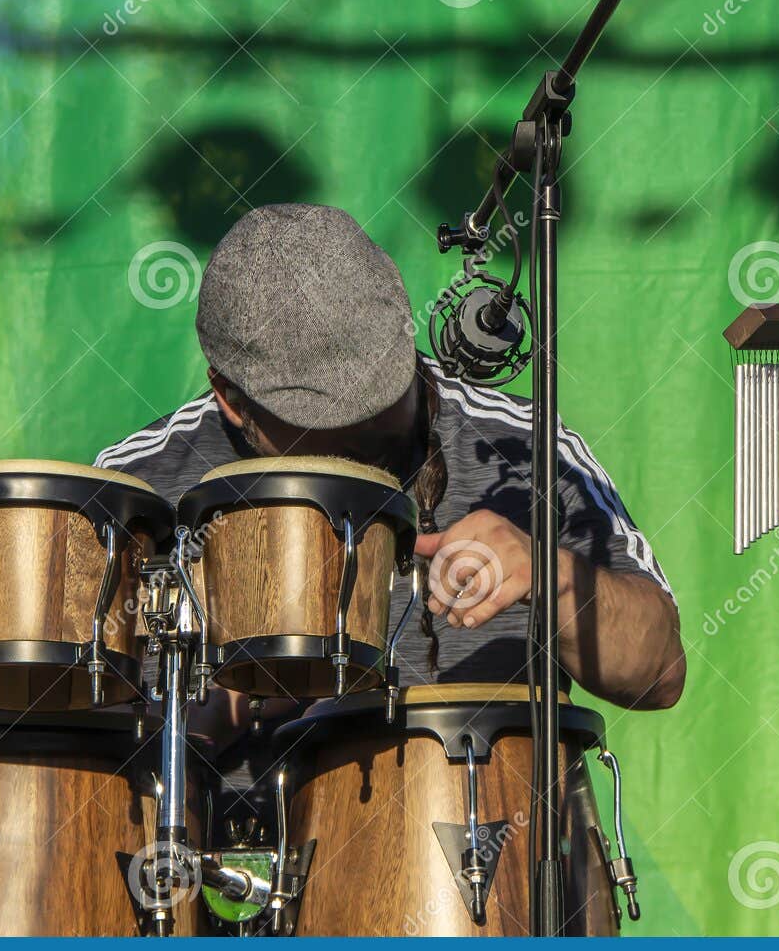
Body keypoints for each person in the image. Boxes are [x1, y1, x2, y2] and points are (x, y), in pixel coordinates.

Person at [93, 204, 684, 768]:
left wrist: (549, 577)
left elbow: (660, 672)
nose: (365, 426)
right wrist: (214, 707)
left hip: (481, 859)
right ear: (231, 398)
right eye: (322, 419)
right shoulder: (135, 491)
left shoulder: (522, 450)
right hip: (214, 867)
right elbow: (64, 756)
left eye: (381, 391)